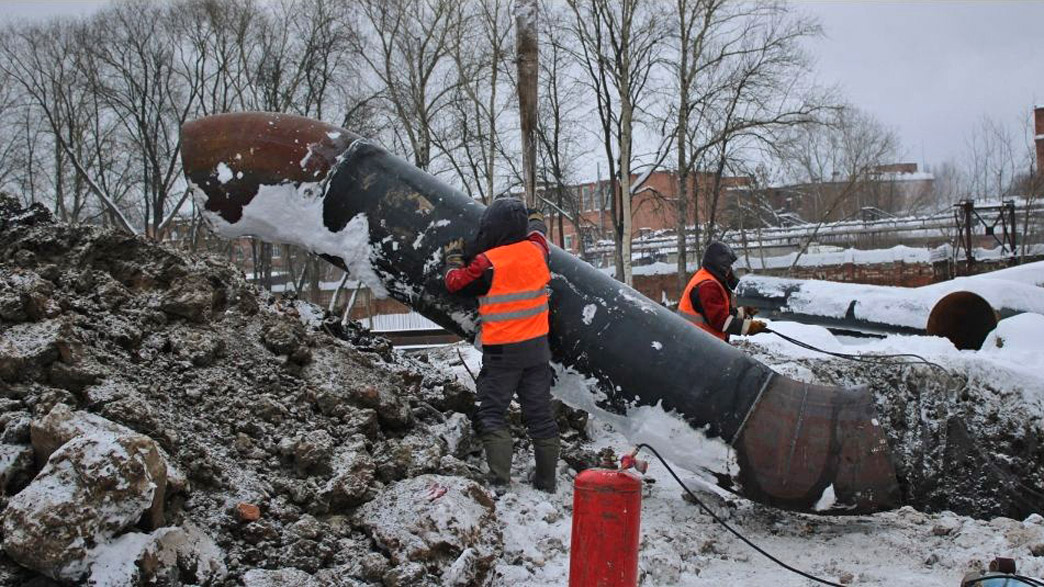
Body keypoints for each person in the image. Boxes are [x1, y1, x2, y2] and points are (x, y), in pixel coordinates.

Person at [442, 198, 559, 493]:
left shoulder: (487, 263)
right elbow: (539, 234)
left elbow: (456, 284)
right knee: (541, 417)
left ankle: (500, 483)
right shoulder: (537, 252)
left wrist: (453, 258)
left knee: (492, 413)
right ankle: (547, 482)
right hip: (537, 351)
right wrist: (534, 217)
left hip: (502, 353)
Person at [677, 241, 767, 342]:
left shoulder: (710, 278)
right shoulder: (708, 286)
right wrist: (749, 327)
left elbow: (722, 313)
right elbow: (721, 321)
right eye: (729, 268)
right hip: (698, 344)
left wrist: (744, 312)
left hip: (702, 341)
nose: (731, 272)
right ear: (721, 266)